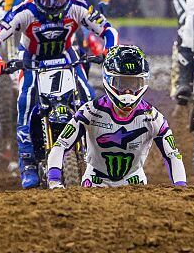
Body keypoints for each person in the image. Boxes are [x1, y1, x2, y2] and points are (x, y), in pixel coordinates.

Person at [0, 0, 118, 189]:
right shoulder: (24, 11)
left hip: (67, 57)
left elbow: (108, 30)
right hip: (32, 60)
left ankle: (103, 154)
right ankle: (27, 163)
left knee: (90, 100)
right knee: (25, 105)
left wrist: (108, 50)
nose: (55, 4)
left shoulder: (77, 7)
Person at [47, 45, 186, 188]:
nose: (128, 91)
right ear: (108, 80)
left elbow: (172, 155)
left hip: (134, 184)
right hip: (96, 183)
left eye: (134, 83)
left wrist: (181, 186)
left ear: (143, 82)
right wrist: (54, 181)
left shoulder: (153, 117)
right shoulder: (90, 111)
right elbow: (61, 145)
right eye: (121, 83)